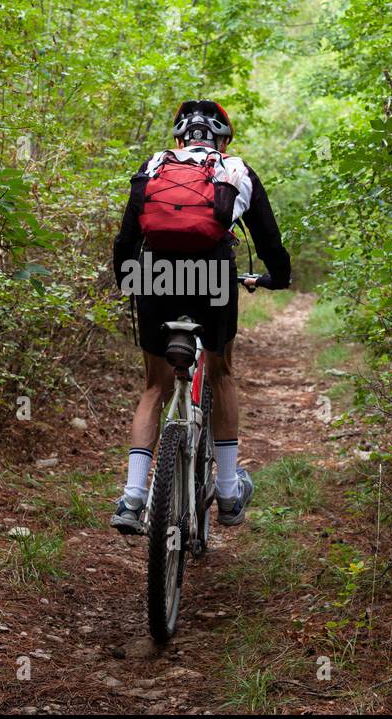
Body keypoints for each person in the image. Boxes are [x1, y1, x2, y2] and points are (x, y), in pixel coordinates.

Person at [109, 99, 290, 534]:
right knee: (221, 372)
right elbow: (267, 238)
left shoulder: (153, 166)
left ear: (178, 139)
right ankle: (227, 492)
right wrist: (276, 278)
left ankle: (133, 497)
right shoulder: (236, 170)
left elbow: (127, 238)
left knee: (153, 386)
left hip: (153, 275)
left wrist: (128, 281)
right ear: (223, 141)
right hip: (211, 274)